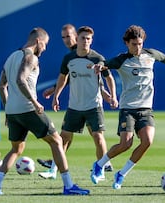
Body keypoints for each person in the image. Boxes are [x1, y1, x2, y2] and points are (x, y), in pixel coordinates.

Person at [0, 27, 89, 195]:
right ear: (38, 41)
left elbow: (1, 87)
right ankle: (69, 185)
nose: (45, 48)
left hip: (13, 112)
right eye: (45, 44)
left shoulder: (12, 56)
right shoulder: (31, 57)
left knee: (16, 149)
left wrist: (8, 110)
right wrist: (35, 102)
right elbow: (21, 80)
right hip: (28, 109)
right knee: (57, 141)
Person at [90, 25, 165, 189]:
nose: (137, 47)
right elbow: (106, 63)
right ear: (127, 43)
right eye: (134, 44)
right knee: (126, 144)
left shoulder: (151, 54)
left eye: (139, 44)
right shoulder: (122, 59)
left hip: (146, 109)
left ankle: (121, 174)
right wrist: (100, 66)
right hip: (128, 109)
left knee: (147, 141)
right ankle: (99, 164)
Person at [37, 24, 114, 179]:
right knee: (64, 136)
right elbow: (64, 77)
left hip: (93, 104)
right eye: (63, 37)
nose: (84, 41)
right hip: (75, 106)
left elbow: (106, 77)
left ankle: (102, 168)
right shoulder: (69, 58)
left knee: (98, 136)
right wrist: (56, 94)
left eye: (88, 38)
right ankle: (53, 170)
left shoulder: (96, 58)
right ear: (78, 39)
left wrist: (110, 94)